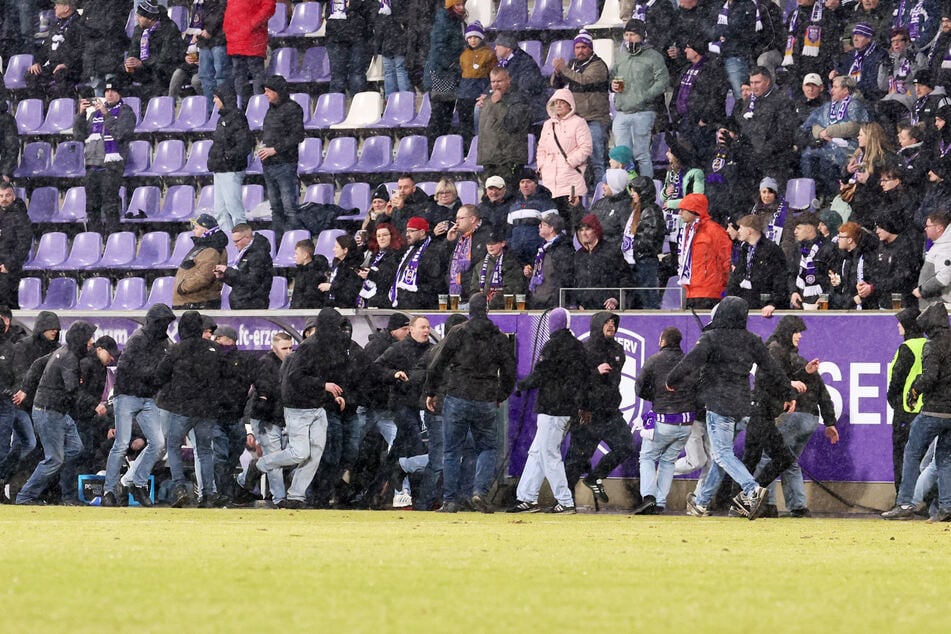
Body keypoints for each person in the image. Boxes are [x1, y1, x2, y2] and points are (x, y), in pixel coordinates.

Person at [666, 296, 796, 520]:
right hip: (742, 405)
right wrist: (789, 392)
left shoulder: (711, 338)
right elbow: (772, 368)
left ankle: (751, 490)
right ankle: (701, 502)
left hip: (719, 403)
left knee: (722, 453)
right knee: (722, 456)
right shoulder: (752, 340)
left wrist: (672, 380)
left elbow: (691, 362)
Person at [243, 308, 349, 510]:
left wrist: (332, 394)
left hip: (317, 407)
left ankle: (296, 496)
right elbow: (295, 377)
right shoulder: (308, 347)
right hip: (298, 408)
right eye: (337, 326)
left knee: (314, 454)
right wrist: (323, 386)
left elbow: (324, 377)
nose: (340, 331)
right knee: (299, 453)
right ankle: (260, 465)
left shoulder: (328, 347)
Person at [426, 293, 516, 512]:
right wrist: (500, 395)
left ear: (469, 310)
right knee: (487, 448)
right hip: (485, 399)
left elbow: (437, 364)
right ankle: (479, 492)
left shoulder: (458, 332)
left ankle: (449, 500)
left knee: (451, 451)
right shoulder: (498, 337)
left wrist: (431, 391)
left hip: (458, 396)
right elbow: (509, 371)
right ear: (487, 310)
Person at [752, 315, 838, 517]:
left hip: (792, 415)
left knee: (769, 457)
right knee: (789, 460)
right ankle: (798, 506)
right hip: (811, 418)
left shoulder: (775, 353)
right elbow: (822, 393)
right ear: (788, 332)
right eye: (797, 331)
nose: (800, 336)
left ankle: (766, 503)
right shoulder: (799, 361)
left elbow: (774, 380)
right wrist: (829, 422)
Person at [508, 308, 589, 514]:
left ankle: (565, 500)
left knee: (549, 454)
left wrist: (521, 386)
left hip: (551, 408)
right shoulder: (578, 347)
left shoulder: (553, 345)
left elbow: (541, 373)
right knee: (538, 452)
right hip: (568, 409)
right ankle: (527, 497)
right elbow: (585, 379)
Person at [15, 321, 98, 505]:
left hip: (57, 411)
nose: (92, 342)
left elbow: (37, 364)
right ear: (80, 339)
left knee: (75, 449)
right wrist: (94, 405)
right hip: (49, 412)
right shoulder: (69, 359)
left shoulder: (63, 351)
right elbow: (72, 389)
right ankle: (25, 495)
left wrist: (25, 388)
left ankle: (48, 474)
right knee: (55, 459)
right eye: (89, 338)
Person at [102, 303, 176, 507]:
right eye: (162, 323)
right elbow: (126, 368)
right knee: (121, 444)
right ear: (153, 322)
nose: (164, 327)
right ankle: (109, 491)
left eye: (167, 323)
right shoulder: (137, 339)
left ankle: (138, 482)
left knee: (158, 443)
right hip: (126, 395)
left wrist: (158, 377)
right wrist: (156, 375)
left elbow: (166, 366)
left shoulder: (165, 343)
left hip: (148, 397)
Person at [883, 302, 951, 521]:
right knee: (944, 458)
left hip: (932, 410)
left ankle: (904, 503)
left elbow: (929, 377)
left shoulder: (932, 346)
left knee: (911, 452)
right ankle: (946, 507)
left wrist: (914, 390)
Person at [565, 311, 634, 508]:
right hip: (588, 413)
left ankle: (595, 476)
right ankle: (565, 500)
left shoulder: (618, 349)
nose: (611, 325)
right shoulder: (584, 349)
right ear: (597, 325)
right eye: (606, 322)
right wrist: (594, 373)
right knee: (576, 460)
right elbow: (574, 381)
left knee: (626, 446)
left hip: (610, 412)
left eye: (613, 322)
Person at [157, 311, 223, 508]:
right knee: (204, 450)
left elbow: (160, 374)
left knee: (173, 446)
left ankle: (180, 488)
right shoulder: (214, 349)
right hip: (207, 409)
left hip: (182, 407)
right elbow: (224, 376)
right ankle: (208, 494)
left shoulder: (177, 349)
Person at [634, 326, 697, 515]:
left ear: (663, 341)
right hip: (686, 423)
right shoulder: (689, 361)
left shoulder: (655, 360)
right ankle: (660, 502)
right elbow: (698, 388)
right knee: (668, 461)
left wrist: (657, 397)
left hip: (664, 419)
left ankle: (649, 498)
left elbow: (639, 388)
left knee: (647, 457)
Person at [374, 316, 434, 508]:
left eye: (428, 327)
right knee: (416, 444)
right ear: (411, 329)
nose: (426, 331)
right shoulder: (398, 349)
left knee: (399, 448)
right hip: (401, 402)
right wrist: (394, 374)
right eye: (422, 327)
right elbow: (376, 367)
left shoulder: (433, 349)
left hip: (421, 405)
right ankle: (419, 497)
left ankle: (377, 486)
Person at [235, 331, 293, 506]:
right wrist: (253, 426)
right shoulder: (265, 364)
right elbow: (259, 394)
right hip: (266, 419)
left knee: (287, 458)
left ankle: (246, 477)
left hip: (284, 419)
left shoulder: (293, 363)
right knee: (275, 459)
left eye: (290, 348)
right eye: (284, 348)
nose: (288, 352)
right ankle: (279, 498)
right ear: (274, 349)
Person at [73, 78, 136, 235]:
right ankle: (94, 239)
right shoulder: (95, 114)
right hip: (92, 165)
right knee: (91, 207)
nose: (109, 94)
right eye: (107, 91)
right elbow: (79, 135)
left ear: (120, 94)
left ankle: (113, 239)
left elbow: (120, 134)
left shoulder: (126, 112)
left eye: (113, 91)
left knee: (110, 206)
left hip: (111, 166)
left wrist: (106, 115)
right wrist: (81, 114)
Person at [719, 66, 795, 192]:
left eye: (757, 82)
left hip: (773, 156)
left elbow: (786, 134)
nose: (753, 87)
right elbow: (740, 124)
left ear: (768, 82)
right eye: (752, 83)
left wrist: (764, 150)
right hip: (749, 153)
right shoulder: (749, 100)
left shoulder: (782, 101)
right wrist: (729, 132)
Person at [550, 29, 612, 184]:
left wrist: (564, 69)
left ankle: (601, 191)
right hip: (576, 119)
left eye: (584, 47)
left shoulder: (598, 65)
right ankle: (584, 191)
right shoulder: (572, 64)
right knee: (579, 161)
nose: (580, 51)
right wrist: (557, 73)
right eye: (577, 47)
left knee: (598, 160)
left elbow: (584, 80)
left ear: (590, 48)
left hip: (595, 119)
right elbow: (556, 85)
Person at [611, 19, 669, 178]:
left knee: (641, 154)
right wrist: (612, 85)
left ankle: (646, 187)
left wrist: (645, 96)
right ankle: (626, 187)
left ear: (642, 36)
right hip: (622, 111)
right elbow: (612, 76)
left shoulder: (654, 56)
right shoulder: (621, 56)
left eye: (633, 34)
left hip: (644, 111)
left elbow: (663, 80)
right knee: (621, 155)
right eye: (626, 34)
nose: (628, 38)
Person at [800, 75, 871, 198]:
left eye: (835, 87)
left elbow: (856, 126)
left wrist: (830, 131)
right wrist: (821, 133)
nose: (831, 90)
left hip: (849, 145)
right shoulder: (828, 105)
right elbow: (813, 123)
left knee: (827, 161)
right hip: (826, 144)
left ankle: (836, 196)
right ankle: (813, 196)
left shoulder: (855, 104)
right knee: (807, 156)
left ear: (846, 90)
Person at [258, 74, 305, 242]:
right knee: (275, 208)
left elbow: (297, 136)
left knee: (289, 207)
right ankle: (278, 244)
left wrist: (275, 149)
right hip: (268, 165)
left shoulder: (293, 108)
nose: (266, 94)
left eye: (269, 91)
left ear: (278, 91)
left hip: (285, 164)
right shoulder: (270, 109)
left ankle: (295, 243)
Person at [536, 88, 592, 224]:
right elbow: (541, 148)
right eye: (556, 103)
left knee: (571, 220)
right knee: (552, 222)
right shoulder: (548, 124)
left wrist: (571, 161)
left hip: (570, 178)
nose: (558, 105)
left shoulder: (579, 122)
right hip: (549, 179)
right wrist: (542, 166)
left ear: (570, 105)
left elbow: (586, 147)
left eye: (562, 102)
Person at [670, 38, 727, 164]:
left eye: (688, 47)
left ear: (697, 50)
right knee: (685, 160)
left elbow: (716, 96)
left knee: (702, 160)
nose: (685, 50)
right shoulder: (686, 68)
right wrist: (676, 116)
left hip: (701, 126)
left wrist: (704, 119)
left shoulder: (712, 69)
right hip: (685, 123)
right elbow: (677, 93)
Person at [887, 307, 926, 494]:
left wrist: (894, 401)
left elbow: (897, 379)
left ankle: (903, 499)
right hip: (926, 410)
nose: (898, 325)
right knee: (924, 457)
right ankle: (927, 499)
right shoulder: (928, 345)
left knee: (901, 455)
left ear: (909, 325)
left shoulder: (907, 348)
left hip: (906, 410)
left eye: (901, 322)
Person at [477, 67, 532, 191]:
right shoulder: (488, 100)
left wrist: (496, 104)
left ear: (508, 80)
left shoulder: (518, 99)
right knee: (491, 197)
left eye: (499, 81)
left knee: (507, 195)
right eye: (493, 81)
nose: (496, 85)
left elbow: (513, 124)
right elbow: (485, 130)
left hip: (508, 159)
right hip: (490, 158)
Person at [208, 86, 253, 233]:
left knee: (235, 212)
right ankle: (229, 242)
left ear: (224, 98)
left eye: (216, 97)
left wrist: (228, 157)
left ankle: (243, 240)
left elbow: (244, 144)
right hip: (219, 170)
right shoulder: (221, 118)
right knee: (220, 212)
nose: (214, 100)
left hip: (230, 170)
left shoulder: (237, 117)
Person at [676, 193, 732, 310]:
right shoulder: (686, 231)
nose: (679, 213)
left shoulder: (715, 231)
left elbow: (727, 260)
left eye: (683, 209)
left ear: (694, 210)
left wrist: (723, 285)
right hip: (688, 291)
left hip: (709, 291)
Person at [726, 213, 789, 316]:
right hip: (746, 302)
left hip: (763, 304)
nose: (739, 231)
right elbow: (737, 277)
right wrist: (730, 300)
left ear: (750, 231)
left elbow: (780, 279)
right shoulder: (744, 249)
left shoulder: (771, 249)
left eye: (741, 228)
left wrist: (773, 303)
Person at [422, 0, 466, 144]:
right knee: (439, 117)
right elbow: (438, 48)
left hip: (449, 75)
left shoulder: (458, 22)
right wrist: (452, 64)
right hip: (440, 75)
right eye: (457, 5)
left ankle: (438, 148)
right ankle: (430, 149)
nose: (461, 8)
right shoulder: (443, 21)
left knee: (446, 117)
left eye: (462, 4)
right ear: (450, 6)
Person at [124, 0, 186, 99]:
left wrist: (142, 64)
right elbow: (133, 50)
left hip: (165, 71)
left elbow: (165, 58)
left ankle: (159, 103)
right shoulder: (138, 30)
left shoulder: (169, 28)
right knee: (120, 78)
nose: (136, 18)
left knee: (158, 76)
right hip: (145, 70)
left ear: (149, 19)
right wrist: (130, 62)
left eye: (140, 16)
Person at [24, 0, 84, 101]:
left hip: (74, 67)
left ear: (66, 8)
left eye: (57, 5)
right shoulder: (56, 25)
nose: (54, 7)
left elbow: (82, 49)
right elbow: (46, 47)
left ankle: (65, 106)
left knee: (61, 74)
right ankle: (40, 107)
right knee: (31, 74)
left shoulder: (79, 25)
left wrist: (67, 64)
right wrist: (37, 62)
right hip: (54, 65)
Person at [621, 176, 665, 309]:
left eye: (634, 190)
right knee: (636, 304)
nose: (632, 194)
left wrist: (634, 247)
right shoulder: (637, 209)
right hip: (635, 263)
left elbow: (650, 239)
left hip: (645, 263)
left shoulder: (651, 210)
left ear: (643, 192)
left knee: (648, 303)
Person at [224, 0, 275, 107]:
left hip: (251, 38)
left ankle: (258, 107)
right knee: (241, 75)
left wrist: (252, 24)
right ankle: (246, 107)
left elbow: (268, 7)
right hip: (237, 38)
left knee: (254, 74)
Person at [490, 33, 549, 124]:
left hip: (528, 104)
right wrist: (486, 95)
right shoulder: (502, 63)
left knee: (493, 111)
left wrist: (502, 96)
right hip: (512, 99)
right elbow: (494, 80)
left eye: (498, 45)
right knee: (482, 106)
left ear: (508, 48)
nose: (495, 48)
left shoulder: (525, 63)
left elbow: (525, 90)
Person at [571, 214, 627, 310]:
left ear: (596, 231)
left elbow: (625, 278)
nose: (584, 233)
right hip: (583, 310)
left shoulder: (611, 251)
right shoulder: (578, 255)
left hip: (607, 309)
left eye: (587, 229)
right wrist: (577, 303)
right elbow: (574, 282)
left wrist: (616, 298)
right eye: (581, 230)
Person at [173, 214, 229, 310]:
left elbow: (204, 276)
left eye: (196, 228)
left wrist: (183, 287)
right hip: (193, 302)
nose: (193, 230)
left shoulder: (211, 250)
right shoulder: (205, 246)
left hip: (197, 303)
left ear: (205, 230)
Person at [78, 0, 133, 97]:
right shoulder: (89, 5)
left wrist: (94, 33)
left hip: (108, 55)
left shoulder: (115, 5)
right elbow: (81, 27)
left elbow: (114, 27)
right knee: (99, 91)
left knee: (111, 89)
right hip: (95, 58)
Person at [215, 224, 274, 310]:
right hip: (242, 304)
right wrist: (224, 277)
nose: (235, 244)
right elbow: (240, 282)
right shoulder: (246, 253)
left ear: (247, 237)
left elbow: (252, 282)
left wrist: (228, 271)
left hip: (252, 305)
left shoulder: (259, 255)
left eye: (237, 241)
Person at [188, 0, 231, 115]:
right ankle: (212, 111)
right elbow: (196, 17)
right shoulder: (198, 2)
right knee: (205, 76)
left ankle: (225, 108)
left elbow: (222, 11)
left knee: (221, 76)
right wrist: (195, 31)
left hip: (219, 40)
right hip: (204, 43)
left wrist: (209, 29)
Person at [524, 212, 574, 309]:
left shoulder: (562, 249)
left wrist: (556, 302)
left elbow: (563, 279)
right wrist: (532, 273)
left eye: (543, 225)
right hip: (538, 301)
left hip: (551, 304)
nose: (539, 226)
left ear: (552, 229)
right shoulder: (542, 248)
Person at [390, 217, 441, 309]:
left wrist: (416, 298)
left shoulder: (432, 251)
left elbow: (434, 283)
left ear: (422, 232)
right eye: (407, 231)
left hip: (420, 307)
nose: (407, 235)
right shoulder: (410, 250)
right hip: (404, 304)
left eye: (411, 231)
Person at [324, 0, 373, 96]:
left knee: (356, 75)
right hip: (337, 37)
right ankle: (337, 103)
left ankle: (357, 102)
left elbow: (368, 11)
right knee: (339, 76)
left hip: (356, 37)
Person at [469, 227, 525, 309]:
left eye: (494, 243)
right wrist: (478, 301)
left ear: (503, 243)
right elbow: (474, 288)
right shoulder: (479, 265)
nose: (490, 246)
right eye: (488, 244)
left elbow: (514, 289)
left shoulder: (511, 263)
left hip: (505, 308)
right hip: (482, 307)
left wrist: (495, 301)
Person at [445, 204, 491, 304]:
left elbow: (481, 263)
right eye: (456, 218)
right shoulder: (459, 237)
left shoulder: (487, 235)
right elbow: (446, 262)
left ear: (472, 219)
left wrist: (471, 285)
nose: (457, 222)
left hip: (476, 294)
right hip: (457, 295)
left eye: (460, 218)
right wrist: (449, 242)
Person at [828, 220, 879, 309]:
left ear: (849, 240)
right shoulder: (843, 257)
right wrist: (837, 284)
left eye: (840, 237)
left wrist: (857, 299)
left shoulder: (866, 257)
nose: (838, 239)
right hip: (847, 305)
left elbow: (873, 282)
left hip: (864, 308)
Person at [506, 168, 553, 264]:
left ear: (535, 184)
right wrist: (512, 247)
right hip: (518, 257)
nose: (525, 185)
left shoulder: (546, 203)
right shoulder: (514, 206)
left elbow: (552, 231)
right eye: (522, 182)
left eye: (528, 182)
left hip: (539, 254)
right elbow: (509, 232)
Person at [831, 22, 887, 102]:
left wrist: (852, 89)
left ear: (869, 38)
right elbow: (844, 73)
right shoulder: (851, 55)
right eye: (854, 36)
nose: (855, 39)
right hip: (847, 93)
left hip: (867, 98)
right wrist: (836, 73)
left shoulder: (879, 55)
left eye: (860, 36)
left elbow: (873, 84)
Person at [788, 213, 832, 309]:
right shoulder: (797, 248)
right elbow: (791, 273)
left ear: (809, 228)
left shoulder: (828, 248)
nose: (795, 232)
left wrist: (825, 297)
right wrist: (793, 292)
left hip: (823, 302)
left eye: (798, 228)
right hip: (800, 301)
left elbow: (833, 279)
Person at [0, 184, 33, 310]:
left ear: (13, 197)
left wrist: (8, 265)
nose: (4, 199)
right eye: (1, 196)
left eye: (7, 195)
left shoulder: (21, 217)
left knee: (8, 306)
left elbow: (24, 244)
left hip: (9, 269)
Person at [357, 223, 404, 309]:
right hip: (372, 299)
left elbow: (387, 278)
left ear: (392, 236)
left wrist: (370, 274)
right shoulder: (375, 255)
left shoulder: (396, 255)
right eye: (378, 236)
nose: (381, 238)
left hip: (385, 301)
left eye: (385, 235)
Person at [373, 0, 413, 98]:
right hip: (398, 39)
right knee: (400, 70)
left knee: (389, 72)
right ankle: (404, 99)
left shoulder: (380, 4)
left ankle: (390, 99)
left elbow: (376, 23)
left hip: (385, 40)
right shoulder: (399, 7)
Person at [913, 211, 951, 309]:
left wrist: (922, 290)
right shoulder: (940, 244)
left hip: (940, 308)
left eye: (928, 226)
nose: (925, 229)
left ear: (939, 228)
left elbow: (944, 278)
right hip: (934, 307)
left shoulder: (946, 248)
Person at [590, 169, 632, 252]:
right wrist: (577, 206)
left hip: (611, 253)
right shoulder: (600, 203)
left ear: (615, 185)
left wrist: (606, 249)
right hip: (594, 248)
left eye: (606, 184)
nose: (603, 186)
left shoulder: (626, 207)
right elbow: (585, 223)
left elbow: (625, 237)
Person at [318, 234, 364, 308]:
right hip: (331, 307)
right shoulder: (337, 265)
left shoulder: (353, 270)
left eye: (336, 247)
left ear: (345, 250)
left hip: (346, 310)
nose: (333, 249)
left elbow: (349, 295)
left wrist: (331, 288)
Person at [290, 238, 329, 309]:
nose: (294, 256)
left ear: (305, 255)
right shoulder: (300, 271)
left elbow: (311, 298)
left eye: (296, 254)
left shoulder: (315, 274)